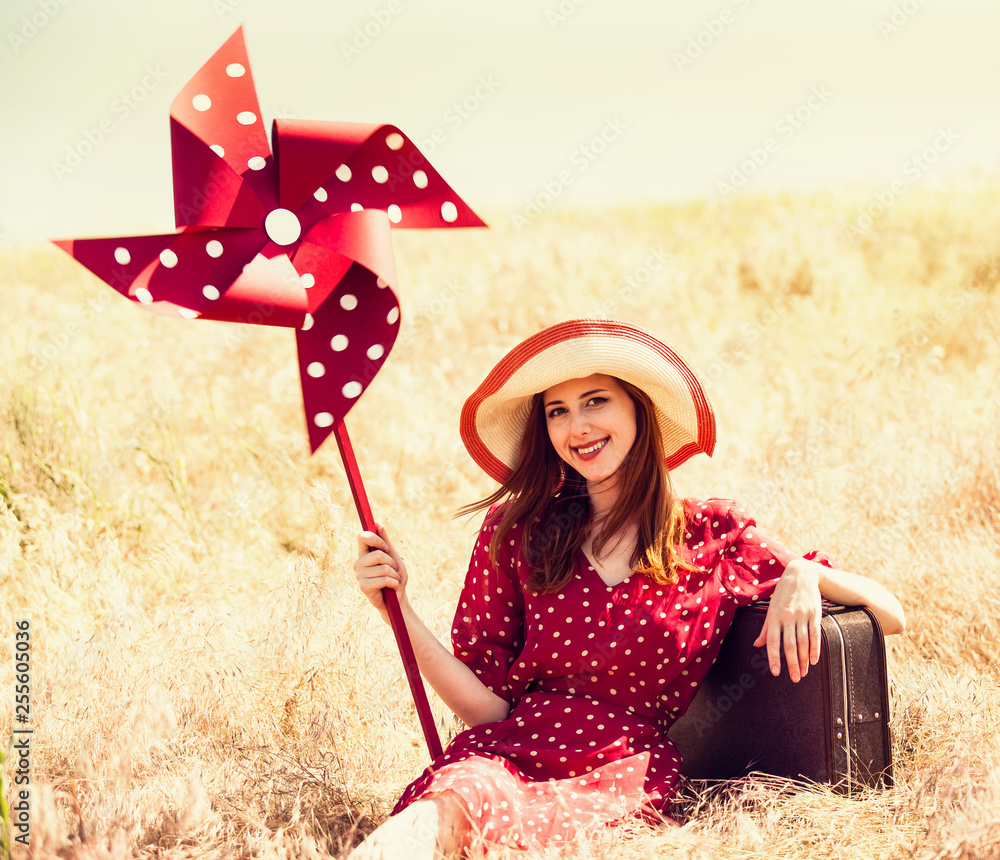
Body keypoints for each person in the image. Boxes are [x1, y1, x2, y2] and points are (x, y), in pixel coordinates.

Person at [351, 319, 905, 858]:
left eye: (596, 401)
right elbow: (489, 710)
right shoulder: (516, 530)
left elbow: (892, 613)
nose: (577, 428)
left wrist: (803, 573)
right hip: (509, 755)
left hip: (625, 775)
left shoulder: (712, 533)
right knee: (448, 806)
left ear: (638, 409)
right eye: (557, 412)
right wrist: (397, 611)